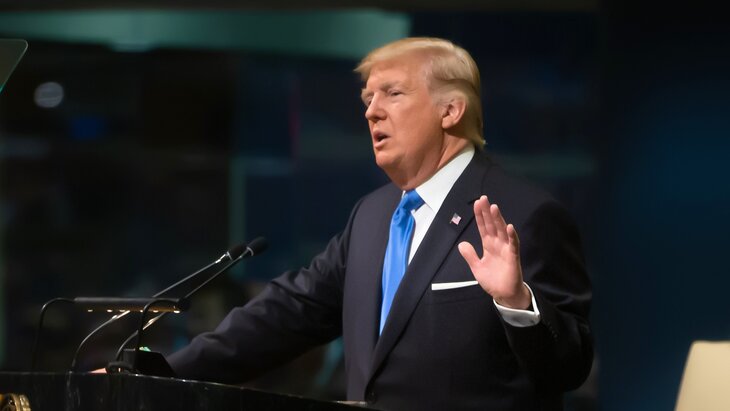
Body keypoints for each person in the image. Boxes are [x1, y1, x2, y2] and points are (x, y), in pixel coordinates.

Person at [167, 37, 592, 410]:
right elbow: (289, 312)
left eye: (393, 93)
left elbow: (569, 367)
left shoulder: (524, 214)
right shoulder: (371, 215)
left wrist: (517, 303)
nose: (372, 112)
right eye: (368, 99)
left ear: (450, 110)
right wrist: (161, 372)